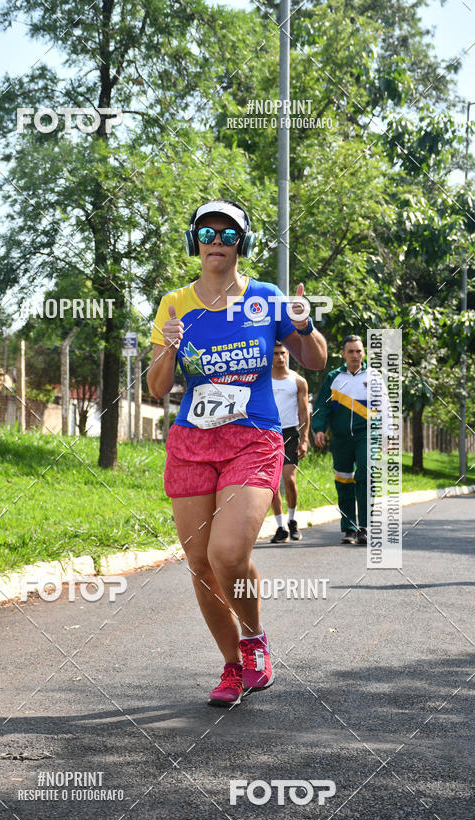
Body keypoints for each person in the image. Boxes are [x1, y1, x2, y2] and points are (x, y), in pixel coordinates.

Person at [147, 199, 327, 707]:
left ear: (241, 244)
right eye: (207, 232)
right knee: (200, 563)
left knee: (227, 554)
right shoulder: (174, 304)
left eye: (228, 234)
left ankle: (254, 639)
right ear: (195, 241)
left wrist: (304, 324)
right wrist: (168, 346)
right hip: (193, 442)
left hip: (253, 438)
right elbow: (158, 388)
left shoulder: (266, 298)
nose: (217, 242)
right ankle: (232, 665)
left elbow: (315, 359)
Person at [312, 334, 390, 545]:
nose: (355, 355)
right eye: (351, 351)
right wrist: (318, 429)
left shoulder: (374, 377)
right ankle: (349, 528)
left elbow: (385, 407)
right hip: (341, 438)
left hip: (367, 435)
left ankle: (364, 527)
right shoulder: (334, 378)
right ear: (343, 354)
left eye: (359, 351)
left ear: (364, 353)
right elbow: (322, 406)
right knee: (344, 479)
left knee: (366, 474)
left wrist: (387, 434)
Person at [269, 343, 310, 543]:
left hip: (289, 433)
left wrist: (305, 439)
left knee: (289, 478)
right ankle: (280, 527)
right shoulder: (263, 380)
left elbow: (304, 412)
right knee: (271, 484)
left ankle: (292, 520)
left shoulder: (298, 381)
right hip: (268, 434)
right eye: (275, 353)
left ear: (288, 354)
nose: (279, 357)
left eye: (283, 353)